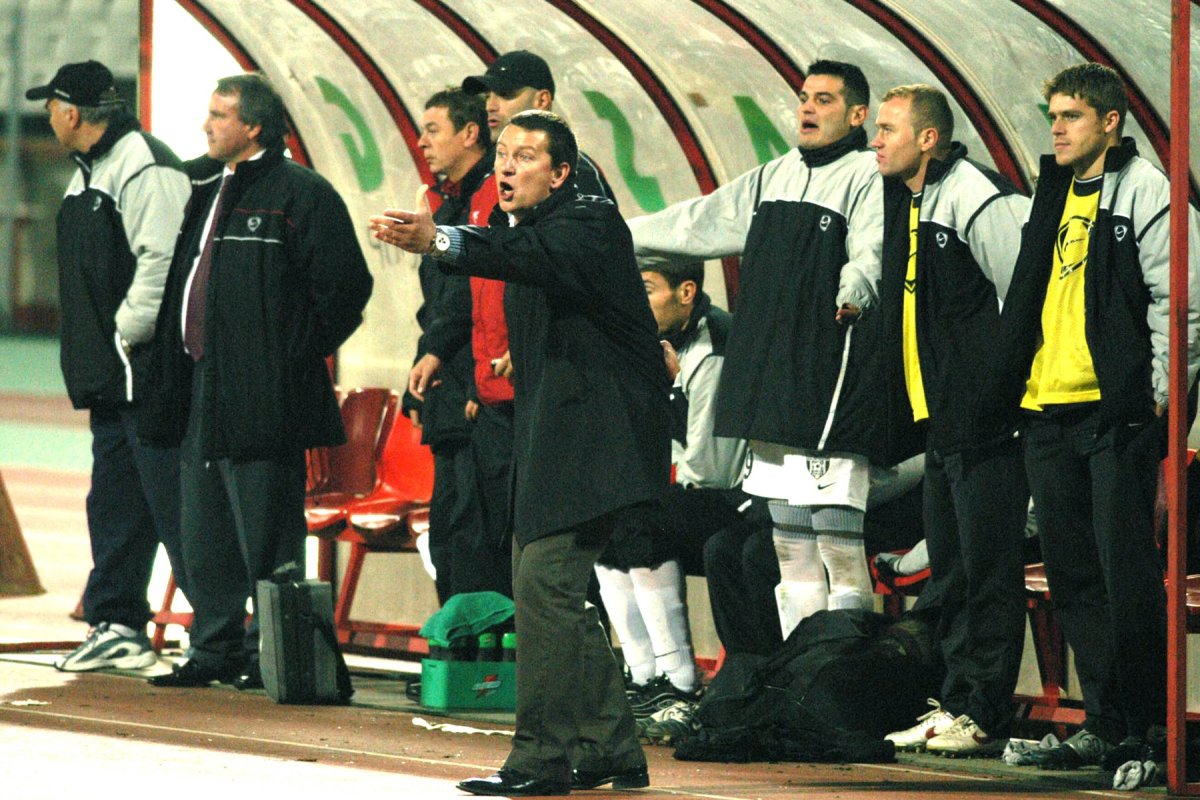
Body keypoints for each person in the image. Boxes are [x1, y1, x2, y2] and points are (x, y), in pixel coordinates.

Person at [372, 109, 667, 797]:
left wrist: (441, 239)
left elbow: (523, 257)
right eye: (503, 153)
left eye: (525, 155)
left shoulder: (587, 220)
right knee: (551, 595)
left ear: (560, 173)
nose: (506, 166)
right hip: (560, 441)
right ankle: (610, 747)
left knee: (544, 590)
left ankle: (540, 760)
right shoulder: (538, 228)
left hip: (596, 448)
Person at [983, 62, 1200, 770]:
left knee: (1124, 575)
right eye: (1053, 115)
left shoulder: (1148, 193)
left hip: (1116, 415)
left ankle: (1152, 729)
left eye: (1071, 115)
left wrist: (1162, 395)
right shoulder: (1051, 192)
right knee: (1073, 576)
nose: (1057, 128)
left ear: (1111, 122)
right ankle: (1106, 723)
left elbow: (1182, 302)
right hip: (1046, 410)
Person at [628, 61, 887, 639]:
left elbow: (872, 249)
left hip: (827, 390)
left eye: (824, 99)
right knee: (790, 548)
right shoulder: (775, 175)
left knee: (839, 548)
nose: (807, 108)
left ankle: (846, 669)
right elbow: (697, 222)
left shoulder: (868, 174)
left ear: (858, 115)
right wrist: (615, 233)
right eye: (804, 97)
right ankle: (803, 670)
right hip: (772, 390)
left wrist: (855, 291)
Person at [140, 73, 373, 690]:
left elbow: (347, 289)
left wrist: (285, 358)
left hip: (265, 396)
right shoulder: (203, 185)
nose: (206, 124)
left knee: (266, 534)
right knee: (204, 528)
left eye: (219, 115)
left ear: (255, 126)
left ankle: (272, 652)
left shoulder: (302, 194)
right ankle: (213, 649)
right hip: (199, 386)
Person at [869, 84, 1031, 756]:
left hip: (985, 421)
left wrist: (998, 397)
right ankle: (958, 701)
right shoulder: (909, 199)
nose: (876, 140)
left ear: (928, 138)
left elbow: (1024, 297)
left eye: (888, 129)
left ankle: (985, 712)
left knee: (989, 569)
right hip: (940, 420)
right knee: (953, 569)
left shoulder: (975, 195)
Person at [27, 60, 190, 672]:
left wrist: (126, 334)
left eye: (51, 108)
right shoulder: (91, 170)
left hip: (145, 373)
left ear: (72, 113)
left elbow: (162, 260)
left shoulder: (144, 165)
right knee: (117, 504)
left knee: (172, 507)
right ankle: (118, 624)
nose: (49, 119)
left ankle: (224, 637)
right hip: (111, 378)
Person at [593, 258, 748, 744]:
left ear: (686, 292)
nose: (639, 302)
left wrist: (675, 389)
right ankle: (643, 677)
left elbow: (710, 468)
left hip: (737, 497)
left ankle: (679, 682)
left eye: (648, 289)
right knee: (602, 520)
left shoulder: (713, 346)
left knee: (641, 523)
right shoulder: (656, 338)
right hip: (688, 488)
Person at [405, 88, 506, 600]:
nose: (421, 142)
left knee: (475, 535)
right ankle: (456, 640)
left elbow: (482, 297)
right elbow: (440, 301)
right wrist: (422, 364)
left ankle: (482, 645)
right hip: (450, 389)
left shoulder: (493, 198)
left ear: (470, 134)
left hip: (478, 390)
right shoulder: (447, 205)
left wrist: (463, 375)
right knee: (448, 534)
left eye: (432, 130)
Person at [461, 50, 614, 201]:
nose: (490, 106)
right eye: (487, 96)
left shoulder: (573, 173)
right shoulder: (491, 171)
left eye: (505, 94)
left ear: (542, 101)